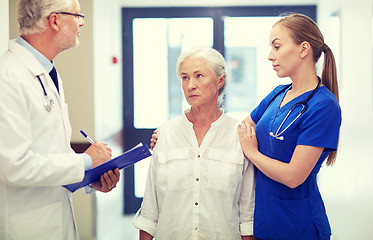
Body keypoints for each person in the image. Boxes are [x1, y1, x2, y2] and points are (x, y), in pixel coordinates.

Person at [0, 0, 120, 239]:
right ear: (54, 20)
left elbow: (51, 152)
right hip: (28, 227)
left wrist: (90, 178)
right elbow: (14, 166)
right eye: (77, 16)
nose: (81, 23)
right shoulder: (8, 76)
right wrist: (86, 161)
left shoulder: (47, 72)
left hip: (54, 220)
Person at [133, 47, 256, 240]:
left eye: (199, 76)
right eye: (185, 77)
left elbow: (248, 215)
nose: (190, 85)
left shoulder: (239, 136)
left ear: (220, 81)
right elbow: (150, 211)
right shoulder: (165, 133)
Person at [237, 13, 341, 240]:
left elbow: (294, 176)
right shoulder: (278, 93)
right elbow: (240, 131)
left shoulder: (324, 106)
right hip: (264, 221)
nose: (269, 56)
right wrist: (174, 135)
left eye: (276, 46)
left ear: (303, 49)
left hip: (298, 226)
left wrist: (252, 153)